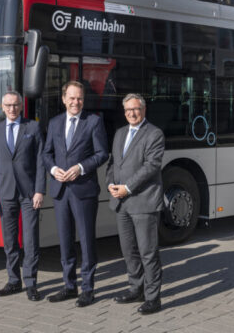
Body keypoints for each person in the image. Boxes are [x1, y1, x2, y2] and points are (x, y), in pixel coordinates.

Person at [42, 80, 109, 307]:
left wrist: (80, 168)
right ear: (63, 99)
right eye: (71, 97)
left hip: (84, 191)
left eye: (79, 98)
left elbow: (102, 154)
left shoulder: (94, 122)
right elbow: (46, 154)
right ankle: (69, 286)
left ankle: (88, 289)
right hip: (61, 191)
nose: (75, 102)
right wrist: (53, 169)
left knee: (87, 241)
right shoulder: (54, 123)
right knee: (65, 241)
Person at [107, 93, 165, 315]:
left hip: (143, 202)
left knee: (148, 252)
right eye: (128, 110)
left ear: (144, 109)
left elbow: (151, 166)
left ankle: (153, 298)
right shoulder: (120, 133)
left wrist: (127, 187)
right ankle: (136, 289)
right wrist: (111, 184)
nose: (132, 113)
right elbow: (113, 163)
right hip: (121, 202)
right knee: (128, 250)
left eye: (136, 109)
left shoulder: (154, 134)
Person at [0, 91, 45, 301]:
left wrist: (39, 190)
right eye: (8, 105)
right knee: (10, 240)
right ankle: (13, 281)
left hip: (29, 193)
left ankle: (31, 283)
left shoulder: (33, 127)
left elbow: (40, 161)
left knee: (30, 240)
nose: (12, 109)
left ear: (21, 106)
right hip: (5, 193)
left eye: (15, 105)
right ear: (2, 107)